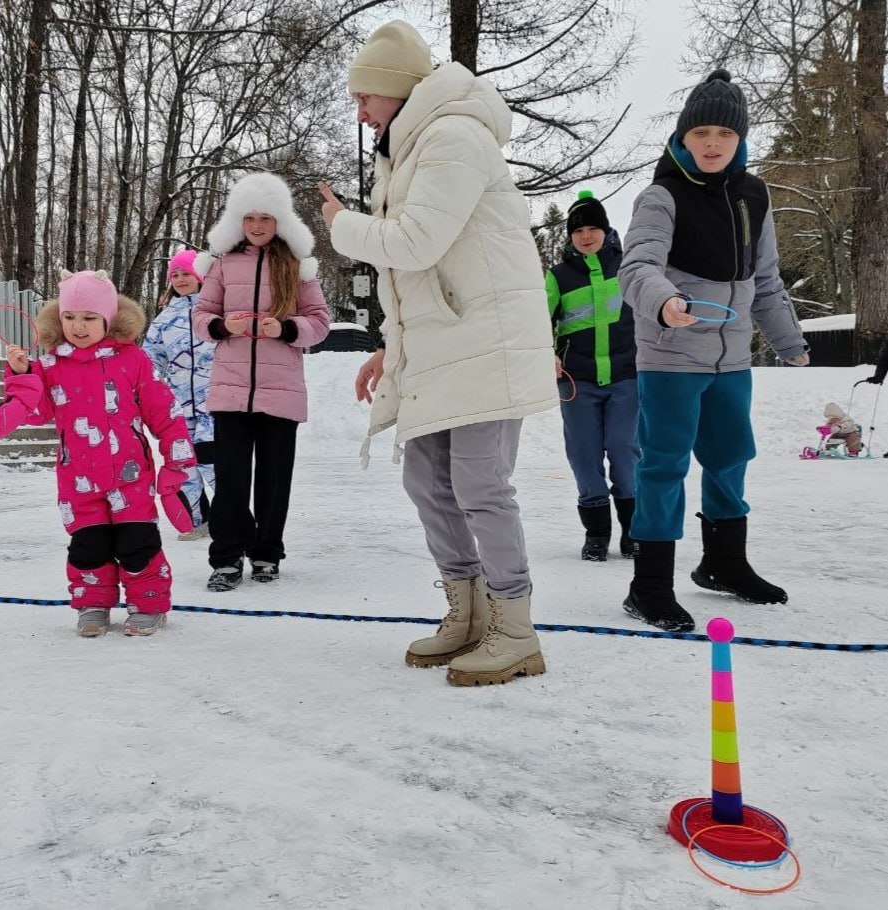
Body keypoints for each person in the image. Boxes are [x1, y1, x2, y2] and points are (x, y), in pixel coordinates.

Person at [318, 20, 557, 687]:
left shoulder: (453, 135)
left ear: (396, 88)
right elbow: (423, 275)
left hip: (485, 343)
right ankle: (469, 613)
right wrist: (391, 348)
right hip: (443, 344)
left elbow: (415, 243)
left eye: (365, 96)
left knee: (481, 484)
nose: (360, 112)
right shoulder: (408, 149)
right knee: (426, 479)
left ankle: (515, 630)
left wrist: (342, 226)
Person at [617, 70, 809, 633]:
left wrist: (789, 341)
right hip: (672, 356)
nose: (712, 143)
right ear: (683, 137)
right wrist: (665, 302)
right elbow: (637, 267)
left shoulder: (754, 195)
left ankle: (723, 563)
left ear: (739, 139)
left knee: (730, 458)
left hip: (732, 360)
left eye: (724, 133)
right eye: (700, 132)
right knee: (664, 465)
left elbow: (765, 280)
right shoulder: (662, 195)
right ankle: (649, 585)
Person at [0, 270, 196, 637]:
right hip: (78, 478)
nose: (78, 326)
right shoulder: (50, 365)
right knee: (88, 545)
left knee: (136, 542)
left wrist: (176, 458)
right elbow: (37, 413)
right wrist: (22, 375)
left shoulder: (133, 360)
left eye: (89, 318)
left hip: (130, 474)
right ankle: (93, 604)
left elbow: (163, 410)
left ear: (108, 319)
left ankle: (148, 604)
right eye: (69, 317)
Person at [191, 172, 330, 591]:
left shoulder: (297, 268)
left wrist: (285, 329)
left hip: (281, 393)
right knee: (231, 479)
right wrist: (223, 326)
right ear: (238, 220)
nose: (256, 225)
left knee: (273, 480)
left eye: (265, 218)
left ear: (279, 221)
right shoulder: (222, 264)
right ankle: (227, 557)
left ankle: (267, 552)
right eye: (249, 217)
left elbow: (320, 322)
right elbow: (200, 315)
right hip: (230, 392)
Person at [546, 190, 639, 562]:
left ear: (606, 230)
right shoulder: (558, 277)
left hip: (627, 376)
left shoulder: (629, 267)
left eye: (592, 229)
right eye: (578, 230)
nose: (585, 236)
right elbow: (538, 321)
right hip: (576, 381)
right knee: (584, 456)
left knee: (624, 451)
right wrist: (546, 353)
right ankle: (597, 534)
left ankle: (634, 532)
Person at [143, 249, 217, 541]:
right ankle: (199, 521)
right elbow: (150, 361)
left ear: (200, 276)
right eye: (175, 275)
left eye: (186, 273)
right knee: (184, 463)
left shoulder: (215, 311)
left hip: (214, 404)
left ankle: (230, 518)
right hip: (179, 406)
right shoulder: (164, 320)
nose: (181, 279)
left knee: (213, 461)